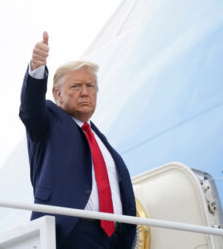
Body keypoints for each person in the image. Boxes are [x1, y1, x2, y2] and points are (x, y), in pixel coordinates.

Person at [19, 31, 136, 249]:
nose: (85, 92)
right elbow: (30, 109)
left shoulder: (102, 142)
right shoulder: (49, 122)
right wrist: (36, 67)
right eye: (76, 86)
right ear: (58, 95)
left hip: (115, 239)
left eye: (90, 86)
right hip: (71, 233)